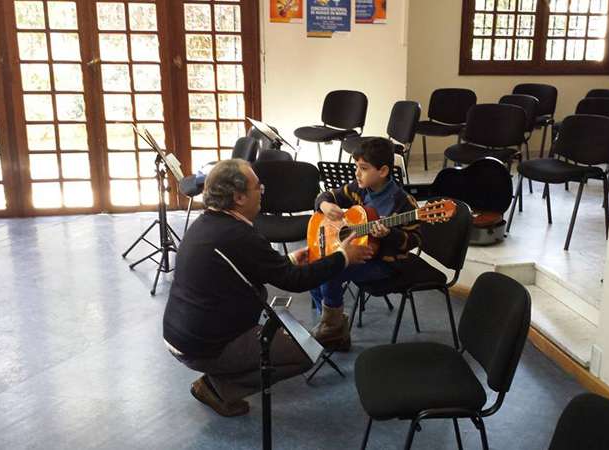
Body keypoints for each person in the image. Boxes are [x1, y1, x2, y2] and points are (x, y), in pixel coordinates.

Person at [163, 159, 373, 417]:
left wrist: (291, 260)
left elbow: (261, 266)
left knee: (285, 339)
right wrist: (343, 256)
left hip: (182, 334)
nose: (262, 192)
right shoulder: (239, 235)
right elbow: (294, 282)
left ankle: (221, 373)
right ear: (239, 197)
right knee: (305, 352)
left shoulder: (209, 223)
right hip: (204, 344)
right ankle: (218, 388)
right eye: (257, 188)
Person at [310, 137, 422, 351]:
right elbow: (326, 195)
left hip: (386, 263)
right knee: (313, 266)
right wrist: (324, 205)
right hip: (359, 252)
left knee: (328, 271)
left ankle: (332, 328)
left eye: (363, 168)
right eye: (356, 167)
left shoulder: (403, 202)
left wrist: (389, 235)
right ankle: (332, 324)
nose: (357, 174)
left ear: (383, 171)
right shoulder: (359, 189)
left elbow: (414, 240)